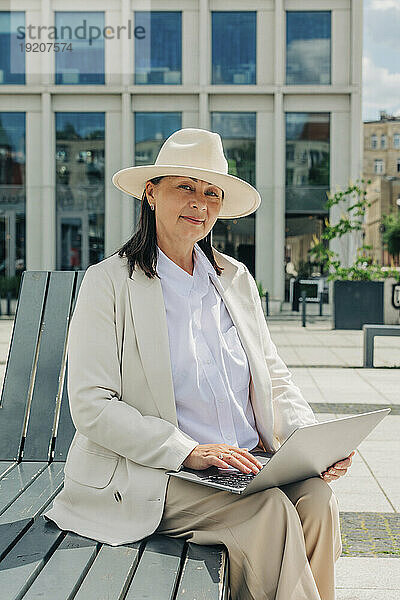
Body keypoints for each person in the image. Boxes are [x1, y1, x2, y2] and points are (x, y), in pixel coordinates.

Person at [43, 128, 354, 600]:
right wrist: (187, 451)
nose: (200, 202)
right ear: (151, 193)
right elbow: (91, 405)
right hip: (157, 472)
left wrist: (311, 442)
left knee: (316, 500)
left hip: (246, 465)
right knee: (269, 512)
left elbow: (272, 375)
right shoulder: (109, 282)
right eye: (185, 187)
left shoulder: (234, 277)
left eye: (212, 193)